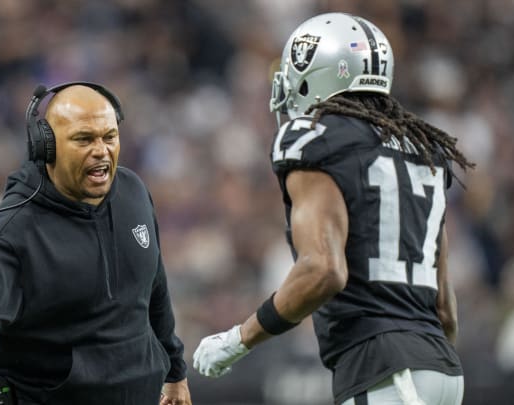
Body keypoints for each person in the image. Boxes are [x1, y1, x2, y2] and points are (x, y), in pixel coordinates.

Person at [193, 12, 474, 405]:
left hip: (384, 370)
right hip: (441, 369)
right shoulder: (421, 150)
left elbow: (324, 270)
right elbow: (444, 308)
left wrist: (240, 338)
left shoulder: (314, 138)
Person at [0, 82, 192, 405]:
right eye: (84, 139)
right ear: (46, 145)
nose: (101, 150)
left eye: (109, 136)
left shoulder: (133, 192)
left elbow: (153, 287)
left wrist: (175, 371)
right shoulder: (12, 231)